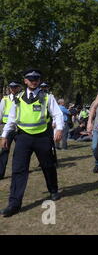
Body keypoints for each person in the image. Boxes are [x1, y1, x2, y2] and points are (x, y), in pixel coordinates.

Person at [0, 69, 63, 217]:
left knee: (48, 165)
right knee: (18, 169)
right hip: (23, 138)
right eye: (30, 78)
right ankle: (14, 204)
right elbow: (11, 119)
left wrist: (59, 129)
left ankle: (53, 190)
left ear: (39, 80)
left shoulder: (47, 97)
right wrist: (4, 136)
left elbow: (57, 114)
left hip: (42, 137)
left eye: (36, 78)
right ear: (25, 81)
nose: (34, 80)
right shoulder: (18, 98)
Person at [0, 82, 22, 179]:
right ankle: (1, 173)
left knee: (21, 151)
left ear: (19, 88)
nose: (13, 89)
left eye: (15, 87)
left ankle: (20, 170)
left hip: (19, 128)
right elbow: (0, 112)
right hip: (8, 129)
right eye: (11, 87)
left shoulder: (23, 98)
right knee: (4, 150)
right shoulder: (5, 99)